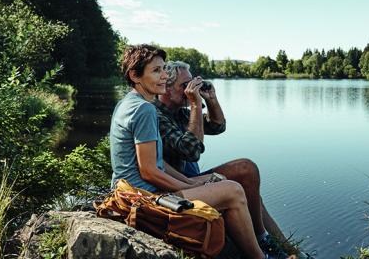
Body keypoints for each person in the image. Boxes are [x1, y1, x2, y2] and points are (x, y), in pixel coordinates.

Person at [109, 44, 288, 259]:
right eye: (156, 71)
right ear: (135, 76)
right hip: (145, 197)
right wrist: (189, 184)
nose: (164, 76)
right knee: (232, 191)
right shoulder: (145, 109)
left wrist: (194, 182)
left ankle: (266, 244)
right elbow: (149, 171)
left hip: (135, 192)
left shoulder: (129, 103)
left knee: (237, 183)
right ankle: (260, 256)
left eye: (164, 69)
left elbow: (158, 163)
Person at [155, 60, 290, 255]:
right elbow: (191, 152)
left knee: (249, 184)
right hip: (175, 186)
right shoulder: (157, 116)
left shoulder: (179, 114)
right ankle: (266, 244)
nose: (190, 89)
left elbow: (218, 126)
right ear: (166, 87)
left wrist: (211, 99)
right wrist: (194, 105)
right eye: (185, 85)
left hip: (187, 180)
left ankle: (278, 245)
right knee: (244, 175)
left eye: (193, 83)